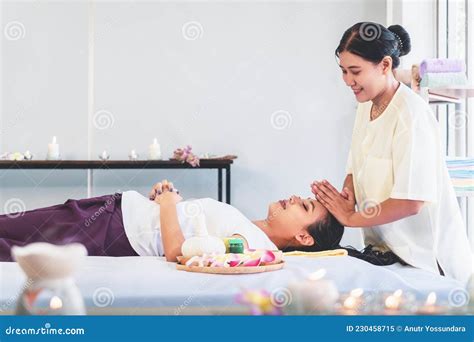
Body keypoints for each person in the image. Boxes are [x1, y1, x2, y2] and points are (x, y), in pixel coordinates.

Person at [311, 22, 472, 283]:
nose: (348, 81)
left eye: (355, 71)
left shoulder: (411, 115)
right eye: (343, 71)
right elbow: (356, 167)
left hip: (427, 263)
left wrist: (351, 217)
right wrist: (343, 200)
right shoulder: (366, 105)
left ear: (385, 65)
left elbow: (411, 201)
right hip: (387, 255)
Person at [0, 179, 344, 263]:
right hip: (112, 211)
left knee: (9, 242)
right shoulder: (251, 227)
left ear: (304, 238)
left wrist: (167, 205)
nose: (296, 198)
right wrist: (165, 199)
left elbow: (179, 252)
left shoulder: (252, 246)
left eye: (306, 207)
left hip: (112, 229)